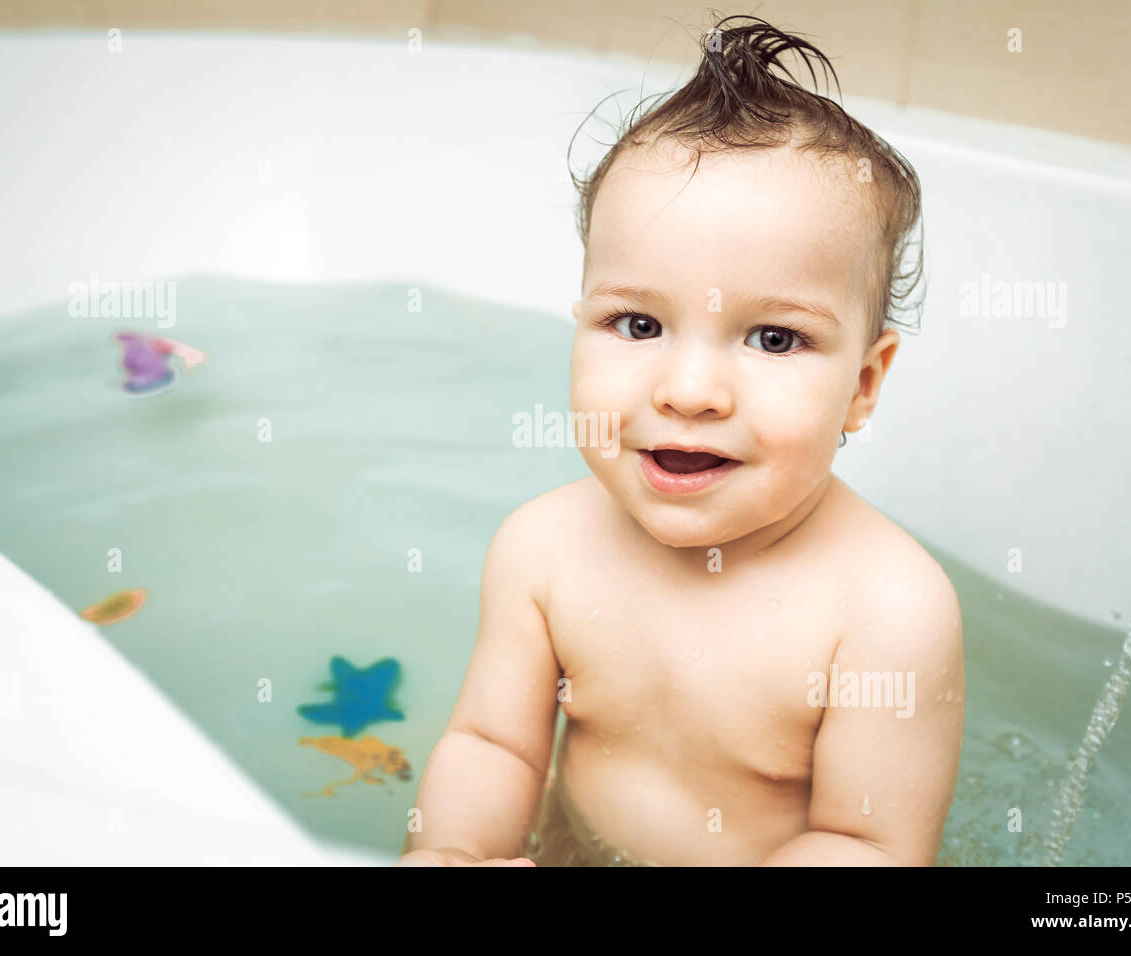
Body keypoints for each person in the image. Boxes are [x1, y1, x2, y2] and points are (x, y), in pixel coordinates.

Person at [400, 14, 963, 867]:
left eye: (774, 338)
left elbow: (867, 844)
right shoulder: (542, 548)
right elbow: (493, 746)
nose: (688, 392)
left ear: (862, 384)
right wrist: (454, 852)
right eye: (636, 323)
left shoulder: (887, 611)